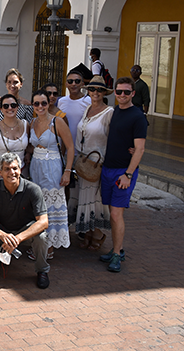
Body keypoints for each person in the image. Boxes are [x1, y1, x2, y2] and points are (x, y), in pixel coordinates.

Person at [0, 152, 51, 289]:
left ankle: (42, 270)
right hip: (3, 229)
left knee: (42, 237)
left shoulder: (33, 189)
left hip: (25, 231)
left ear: (20, 169)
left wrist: (18, 238)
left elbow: (44, 222)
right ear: (0, 172)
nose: (12, 172)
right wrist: (2, 235)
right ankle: (0, 253)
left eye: (15, 168)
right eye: (7, 169)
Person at [99, 77, 147, 273]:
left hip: (123, 172)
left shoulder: (138, 117)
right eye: (119, 91)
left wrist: (128, 174)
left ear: (133, 93)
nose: (122, 95)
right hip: (108, 169)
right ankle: (116, 249)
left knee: (116, 214)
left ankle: (117, 254)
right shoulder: (115, 111)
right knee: (112, 212)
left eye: (126, 92)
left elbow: (140, 148)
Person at [27, 89, 72, 260]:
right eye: (36, 103)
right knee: (37, 205)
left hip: (52, 167)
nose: (40, 106)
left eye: (43, 103)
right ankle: (39, 243)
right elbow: (31, 146)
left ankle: (49, 246)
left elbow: (70, 147)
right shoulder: (32, 122)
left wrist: (67, 171)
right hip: (36, 167)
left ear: (48, 104)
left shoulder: (57, 121)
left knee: (51, 206)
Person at [71, 76, 113, 249]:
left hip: (96, 162)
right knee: (84, 197)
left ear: (104, 93)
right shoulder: (88, 108)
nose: (96, 92)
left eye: (100, 90)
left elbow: (113, 138)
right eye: (93, 89)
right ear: (88, 91)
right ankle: (88, 232)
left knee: (93, 198)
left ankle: (97, 233)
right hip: (83, 161)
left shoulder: (109, 112)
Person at [0, 94, 28, 184]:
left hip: (18, 172)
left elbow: (29, 146)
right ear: (1, 109)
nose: (10, 108)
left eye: (13, 105)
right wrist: (0, 180)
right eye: (6, 106)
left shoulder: (25, 125)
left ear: (17, 107)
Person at [58, 67, 91, 148]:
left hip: (82, 149)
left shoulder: (89, 101)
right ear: (66, 84)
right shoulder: (61, 101)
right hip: (64, 148)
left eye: (77, 81)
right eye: (70, 81)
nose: (73, 84)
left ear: (82, 84)